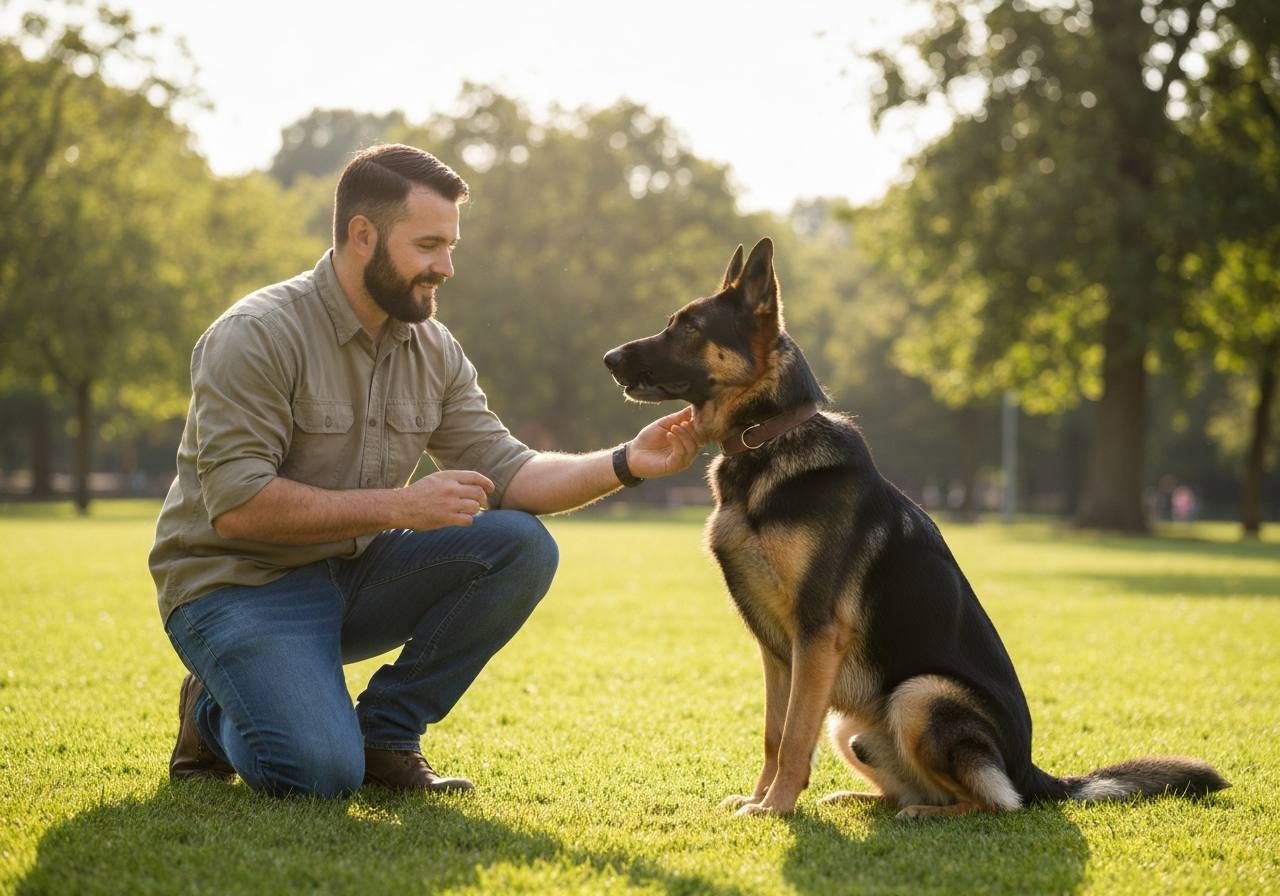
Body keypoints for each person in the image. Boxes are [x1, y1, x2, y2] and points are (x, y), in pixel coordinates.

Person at [150, 143, 702, 798]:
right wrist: (400, 507)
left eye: (450, 247)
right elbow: (238, 507)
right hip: (239, 584)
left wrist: (626, 462)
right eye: (428, 246)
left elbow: (511, 473)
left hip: (351, 570)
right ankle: (211, 713)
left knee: (520, 545)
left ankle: (386, 733)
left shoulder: (433, 349)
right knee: (319, 774)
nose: (445, 267)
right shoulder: (258, 334)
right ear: (363, 236)